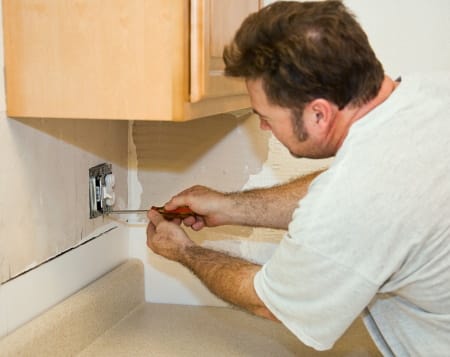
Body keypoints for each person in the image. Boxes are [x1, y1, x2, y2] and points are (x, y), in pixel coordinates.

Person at [146, 1, 450, 355]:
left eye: (265, 116)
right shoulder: (430, 93)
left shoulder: (356, 194)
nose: (262, 126)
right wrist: (232, 207)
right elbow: (368, 185)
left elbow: (268, 303)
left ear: (319, 114)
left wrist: (184, 251)